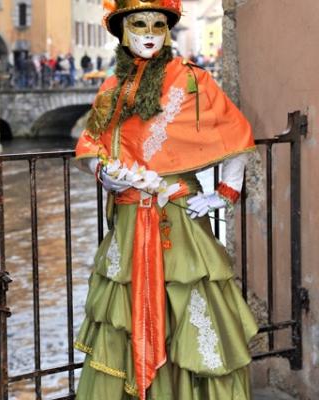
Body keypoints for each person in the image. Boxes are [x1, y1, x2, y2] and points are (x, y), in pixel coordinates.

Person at [74, 1, 259, 399]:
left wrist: (222, 194)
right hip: (128, 219)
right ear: (123, 30)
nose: (148, 33)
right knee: (125, 313)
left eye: (158, 25)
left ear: (168, 31)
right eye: (139, 24)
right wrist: (103, 173)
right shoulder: (111, 90)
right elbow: (90, 145)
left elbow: (237, 134)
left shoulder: (193, 81)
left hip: (178, 217)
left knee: (188, 304)